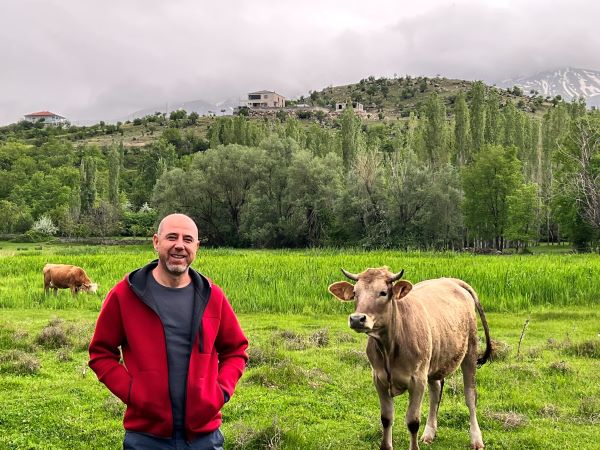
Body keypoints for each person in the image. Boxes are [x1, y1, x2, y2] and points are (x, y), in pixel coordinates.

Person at [89, 213, 248, 449]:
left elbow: (236, 350)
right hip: (145, 436)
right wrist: (133, 393)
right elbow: (101, 353)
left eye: (187, 239)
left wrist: (219, 392)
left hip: (204, 436)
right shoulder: (125, 295)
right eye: (171, 237)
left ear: (196, 246)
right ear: (156, 242)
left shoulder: (213, 296)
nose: (179, 246)